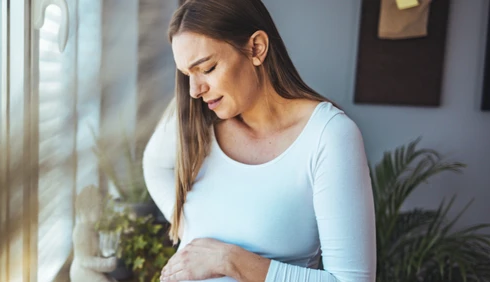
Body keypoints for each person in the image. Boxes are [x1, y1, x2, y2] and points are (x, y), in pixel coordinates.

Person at [142, 0, 376, 281]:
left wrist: (230, 260)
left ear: (256, 48)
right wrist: (188, 226)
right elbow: (154, 165)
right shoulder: (197, 119)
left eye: (207, 67)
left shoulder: (328, 136)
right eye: (187, 74)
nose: (194, 90)